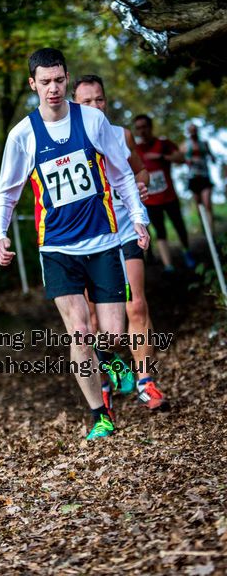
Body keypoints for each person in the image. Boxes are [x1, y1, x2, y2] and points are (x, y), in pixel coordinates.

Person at [0, 48, 150, 440]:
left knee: (112, 333)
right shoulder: (23, 134)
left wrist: (139, 219)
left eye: (59, 80)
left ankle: (112, 360)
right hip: (58, 249)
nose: (52, 88)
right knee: (79, 332)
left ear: (67, 79)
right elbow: (6, 193)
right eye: (44, 82)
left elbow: (123, 175)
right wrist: (0, 234)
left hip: (103, 242)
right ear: (32, 84)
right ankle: (100, 414)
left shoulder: (93, 120)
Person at [72, 75, 169, 416]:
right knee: (96, 324)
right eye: (86, 101)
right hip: (88, 238)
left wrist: (141, 189)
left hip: (125, 231)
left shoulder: (120, 134)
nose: (95, 106)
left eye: (99, 99)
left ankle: (146, 382)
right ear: (74, 105)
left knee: (136, 306)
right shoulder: (67, 142)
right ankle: (106, 380)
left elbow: (140, 172)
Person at [133, 114, 195, 272]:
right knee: (160, 231)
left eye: (144, 127)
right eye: (138, 128)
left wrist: (161, 156)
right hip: (151, 201)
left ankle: (187, 253)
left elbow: (181, 158)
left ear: (150, 127)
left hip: (169, 196)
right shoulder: (136, 150)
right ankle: (168, 266)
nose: (142, 131)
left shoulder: (163, 143)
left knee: (179, 227)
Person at [181, 123, 215, 233]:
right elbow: (181, 160)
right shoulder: (185, 145)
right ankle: (205, 228)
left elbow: (212, 157)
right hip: (193, 177)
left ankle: (211, 230)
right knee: (199, 206)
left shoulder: (204, 143)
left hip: (205, 176)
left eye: (194, 130)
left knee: (207, 204)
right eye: (191, 130)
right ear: (188, 132)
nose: (193, 132)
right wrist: (188, 160)